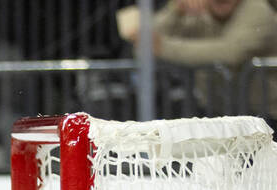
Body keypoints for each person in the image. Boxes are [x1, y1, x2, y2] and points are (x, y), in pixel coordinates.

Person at [119, 0, 277, 118]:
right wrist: (175, 10)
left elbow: (230, 52)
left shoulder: (257, 9)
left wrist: (163, 47)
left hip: (264, 114)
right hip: (219, 113)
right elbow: (144, 42)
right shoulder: (201, 13)